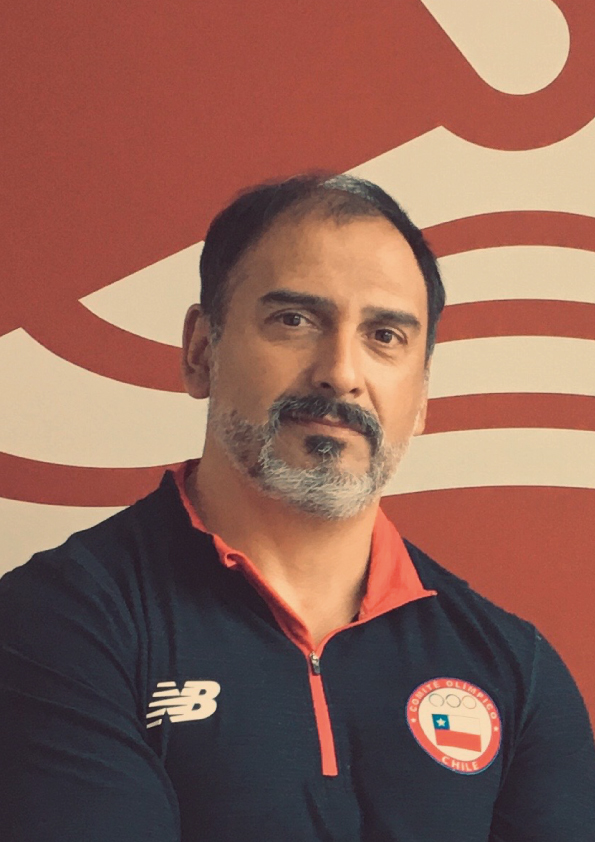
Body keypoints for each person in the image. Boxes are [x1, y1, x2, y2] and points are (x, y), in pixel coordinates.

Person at [1, 174, 594, 842]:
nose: (341, 372)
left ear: (422, 397)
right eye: (294, 320)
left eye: (384, 336)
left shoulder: (515, 668)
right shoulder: (60, 621)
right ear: (201, 351)